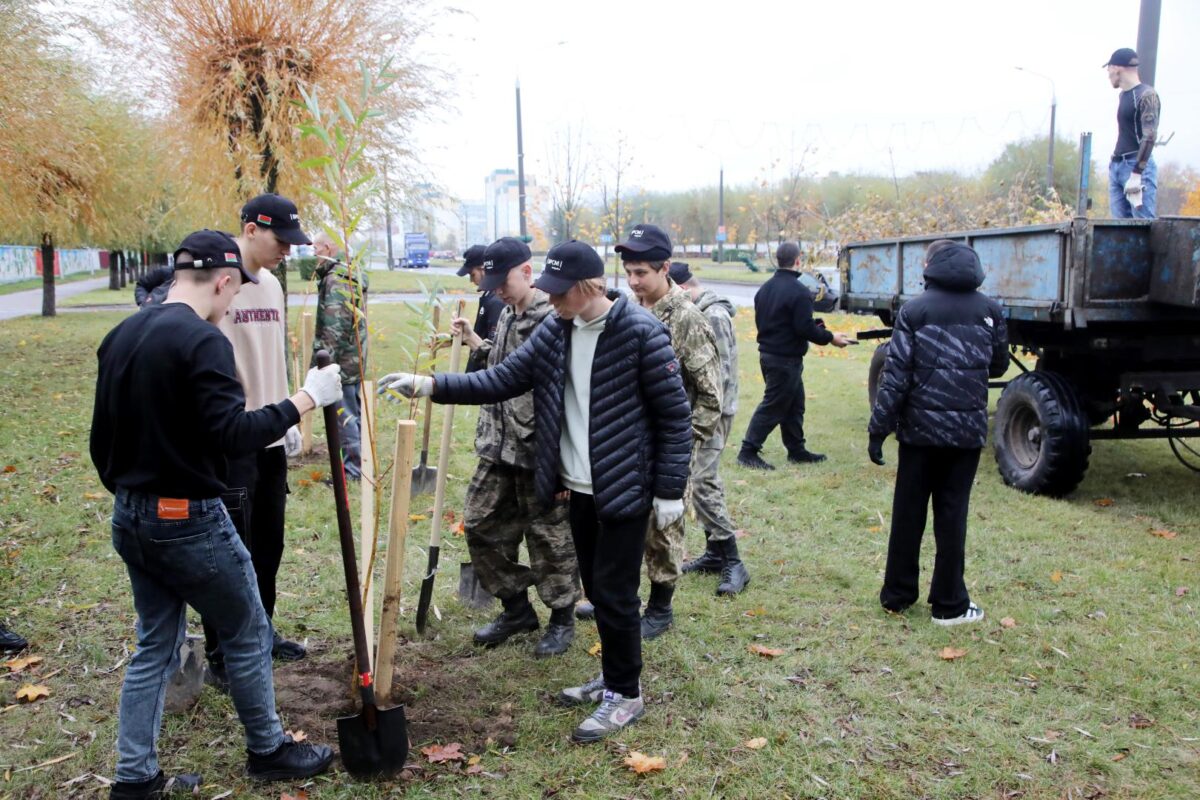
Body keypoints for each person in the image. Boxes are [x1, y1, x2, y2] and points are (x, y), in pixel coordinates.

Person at [379, 239, 691, 742]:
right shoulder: (557, 329)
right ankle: (614, 678)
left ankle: (626, 695)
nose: (554, 299)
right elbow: (503, 379)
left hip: (625, 487)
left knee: (613, 593)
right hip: (578, 487)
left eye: (561, 291)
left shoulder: (639, 332)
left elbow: (676, 417)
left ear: (587, 286)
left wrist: (670, 491)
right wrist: (430, 384)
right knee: (598, 586)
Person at [90, 230, 341, 798]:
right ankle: (269, 749)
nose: (231, 304)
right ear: (224, 281)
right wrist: (305, 399)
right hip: (188, 519)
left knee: (155, 643)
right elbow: (232, 436)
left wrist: (135, 495)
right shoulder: (204, 341)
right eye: (234, 292)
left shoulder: (122, 333)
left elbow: (100, 443)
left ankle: (134, 780)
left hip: (131, 515)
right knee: (249, 630)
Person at [427, 237, 580, 657]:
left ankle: (562, 618)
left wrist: (563, 462)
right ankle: (517, 609)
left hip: (538, 451)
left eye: (503, 279)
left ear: (528, 273)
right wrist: (479, 344)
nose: (494, 287)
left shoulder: (556, 319)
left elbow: (570, 396)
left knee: (550, 539)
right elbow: (505, 367)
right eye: (490, 279)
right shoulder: (507, 314)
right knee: (480, 526)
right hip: (497, 445)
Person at [868, 241, 1008, 626]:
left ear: (929, 267)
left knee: (907, 514)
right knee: (952, 516)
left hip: (918, 435)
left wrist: (878, 430)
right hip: (964, 436)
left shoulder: (914, 310)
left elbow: (894, 377)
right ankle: (949, 605)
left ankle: (897, 595)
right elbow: (997, 365)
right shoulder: (991, 310)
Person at [203, 193, 312, 686]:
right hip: (231, 439)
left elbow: (275, 354)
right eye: (280, 240)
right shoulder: (217, 284)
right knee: (231, 551)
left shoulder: (271, 286)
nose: (287, 250)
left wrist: (287, 417)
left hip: (271, 435)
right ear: (250, 229)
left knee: (269, 545)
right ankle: (224, 652)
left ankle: (261, 632)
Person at [617, 225, 722, 639]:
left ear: (665, 268)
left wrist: (682, 443)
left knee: (664, 527)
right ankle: (622, 597)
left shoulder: (686, 319)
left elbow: (710, 395)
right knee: (625, 520)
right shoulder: (630, 309)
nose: (633, 281)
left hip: (668, 443)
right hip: (627, 440)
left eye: (641, 272)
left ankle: (660, 608)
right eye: (628, 272)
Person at [670, 262, 750, 595]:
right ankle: (715, 552)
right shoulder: (699, 310)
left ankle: (733, 560)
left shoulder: (712, 316)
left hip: (713, 413)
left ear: (684, 288)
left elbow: (721, 374)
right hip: (697, 410)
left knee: (703, 482)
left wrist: (711, 418)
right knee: (696, 480)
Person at [737, 241, 853, 470]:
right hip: (784, 360)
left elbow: (783, 322)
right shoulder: (799, 291)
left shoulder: (765, 289)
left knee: (794, 404)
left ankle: (796, 450)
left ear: (777, 260)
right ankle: (747, 451)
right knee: (774, 405)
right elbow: (804, 328)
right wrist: (831, 337)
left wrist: (815, 327)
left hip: (769, 355)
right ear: (798, 260)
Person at [311, 232, 368, 480]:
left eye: (315, 248)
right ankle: (361, 463)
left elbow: (336, 324)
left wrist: (323, 365)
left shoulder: (336, 279)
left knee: (344, 417)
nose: (313, 254)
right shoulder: (348, 274)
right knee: (352, 413)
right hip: (353, 358)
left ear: (327, 247)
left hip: (341, 362)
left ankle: (353, 471)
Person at [1104, 47, 1161, 219]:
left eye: (1108, 70)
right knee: (1119, 231)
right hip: (1117, 165)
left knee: (1142, 227)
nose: (1108, 75)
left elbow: (1149, 136)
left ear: (1116, 68)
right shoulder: (1123, 96)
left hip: (1136, 167)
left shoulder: (1147, 95)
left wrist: (1137, 173)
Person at [457, 244, 506, 372]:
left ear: (483, 269)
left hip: (483, 376)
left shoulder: (497, 302)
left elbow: (492, 349)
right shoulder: (487, 296)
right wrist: (455, 339)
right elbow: (480, 334)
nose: (471, 280)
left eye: (472, 274)